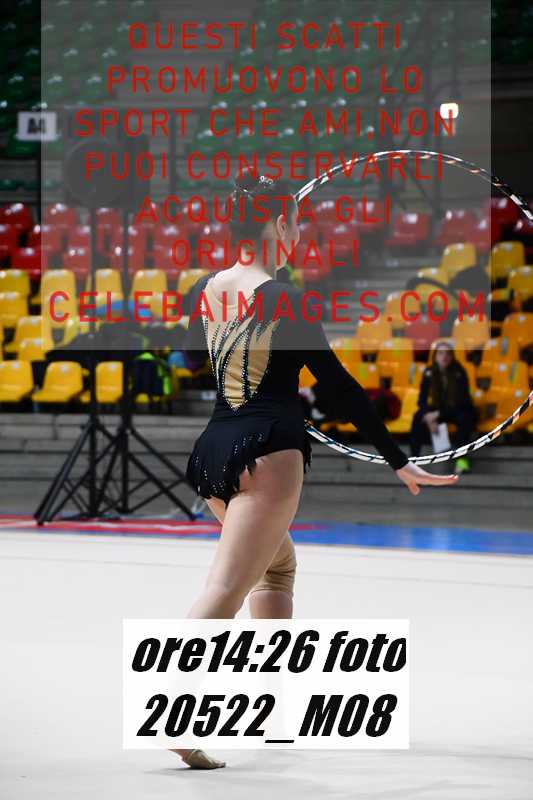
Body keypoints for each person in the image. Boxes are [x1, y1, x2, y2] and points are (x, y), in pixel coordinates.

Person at [172, 173, 459, 770]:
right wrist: (398, 458)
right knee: (226, 587)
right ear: (279, 224)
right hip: (268, 455)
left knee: (276, 565)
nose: (300, 234)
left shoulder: (207, 288)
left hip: (213, 453)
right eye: (297, 224)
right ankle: (174, 712)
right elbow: (341, 389)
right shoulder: (285, 298)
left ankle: (272, 703)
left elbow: (209, 360)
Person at [409, 340, 476, 473]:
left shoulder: (459, 372)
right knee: (417, 417)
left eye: (447, 354)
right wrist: (428, 417)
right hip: (437, 410)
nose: (444, 357)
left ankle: (462, 460)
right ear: (435, 357)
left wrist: (437, 415)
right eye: (440, 353)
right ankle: (413, 461)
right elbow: (422, 399)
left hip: (457, 409)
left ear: (452, 357)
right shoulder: (429, 372)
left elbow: (462, 401)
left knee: (465, 418)